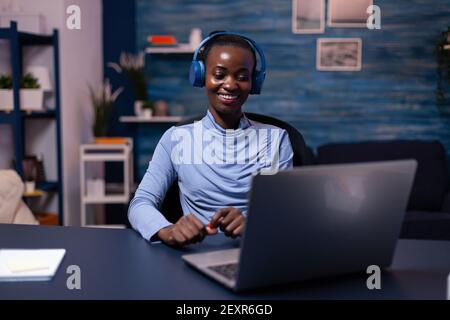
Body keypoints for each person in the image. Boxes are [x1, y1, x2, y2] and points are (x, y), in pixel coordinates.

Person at [128, 31, 293, 246]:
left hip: (254, 252)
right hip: (193, 255)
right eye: (219, 74)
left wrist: (253, 223)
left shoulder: (274, 140)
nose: (231, 84)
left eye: (242, 77)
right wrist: (167, 230)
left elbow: (282, 210)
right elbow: (141, 203)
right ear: (201, 76)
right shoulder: (177, 139)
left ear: (254, 82)